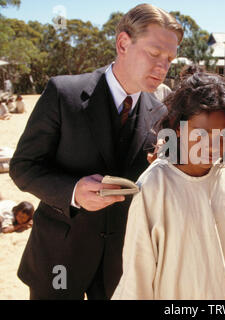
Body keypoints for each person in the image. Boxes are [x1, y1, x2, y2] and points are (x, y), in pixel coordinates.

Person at [9, 4, 183, 300]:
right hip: (59, 261)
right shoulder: (63, 93)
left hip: (122, 265)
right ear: (123, 43)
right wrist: (73, 191)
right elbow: (23, 166)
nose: (162, 67)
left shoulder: (161, 113)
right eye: (154, 54)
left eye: (169, 58)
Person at [112, 72, 225, 300]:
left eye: (223, 135)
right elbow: (137, 275)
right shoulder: (155, 186)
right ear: (178, 128)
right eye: (201, 134)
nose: (212, 146)